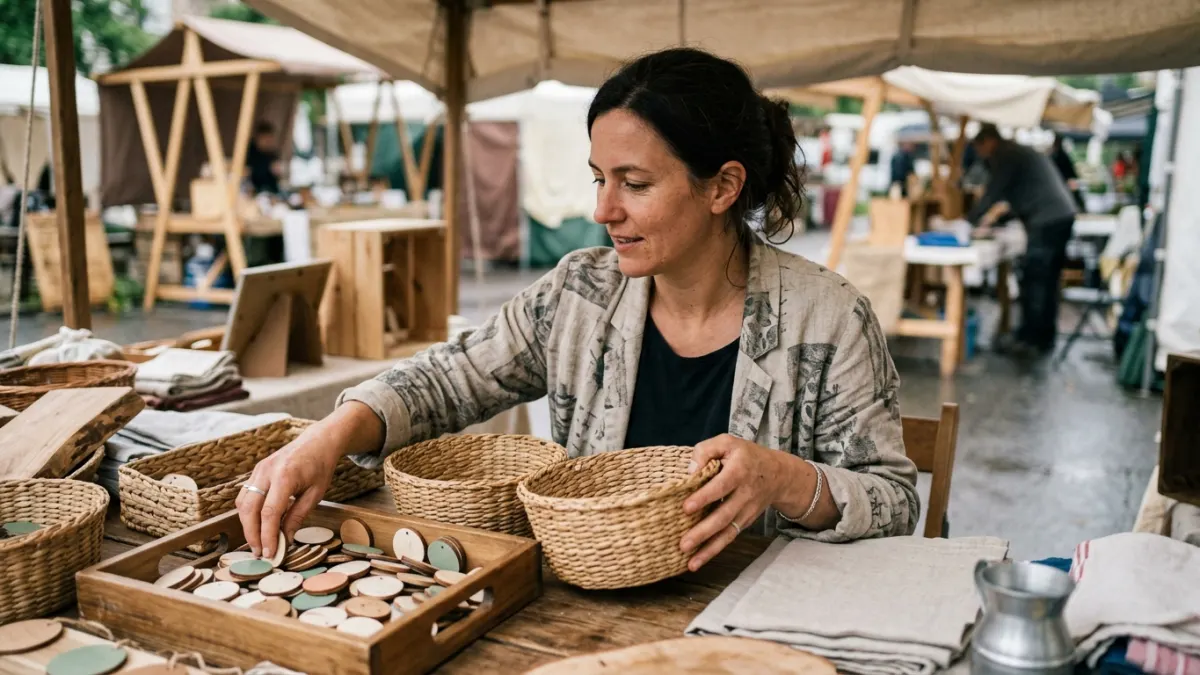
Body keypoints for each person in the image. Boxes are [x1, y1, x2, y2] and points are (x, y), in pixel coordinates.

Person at [235, 48, 919, 571]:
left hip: (752, 631)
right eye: (599, 178)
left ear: (723, 186)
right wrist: (327, 435)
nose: (603, 210)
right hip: (587, 611)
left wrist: (787, 478)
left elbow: (894, 501)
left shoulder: (826, 318)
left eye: (635, 183)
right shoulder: (579, 294)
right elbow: (451, 378)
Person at [968, 124, 1077, 356]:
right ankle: (1043, 337)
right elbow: (1014, 195)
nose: (981, 155)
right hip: (1059, 216)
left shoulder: (1007, 154)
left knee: (1036, 278)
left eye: (980, 149)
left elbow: (994, 191)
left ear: (988, 142)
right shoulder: (1018, 153)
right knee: (1047, 281)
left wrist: (970, 220)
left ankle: (1031, 339)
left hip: (1047, 219)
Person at [1049, 134, 1086, 212]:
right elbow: (1070, 169)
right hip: (1063, 180)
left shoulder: (1055, 155)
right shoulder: (1060, 154)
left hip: (1059, 180)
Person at [246, 120, 282, 195]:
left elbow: (276, 179)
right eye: (266, 139)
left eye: (270, 139)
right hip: (254, 192)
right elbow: (251, 173)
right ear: (259, 137)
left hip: (270, 192)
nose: (268, 142)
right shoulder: (249, 153)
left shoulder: (272, 154)